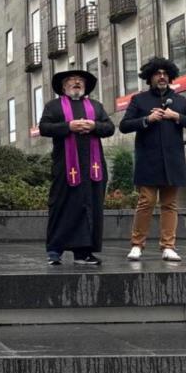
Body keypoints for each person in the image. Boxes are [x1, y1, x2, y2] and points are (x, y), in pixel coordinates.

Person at [120, 57, 186, 262]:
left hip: (173, 161)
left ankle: (168, 246)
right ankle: (137, 245)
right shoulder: (139, 100)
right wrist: (147, 120)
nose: (162, 76)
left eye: (165, 73)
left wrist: (176, 117)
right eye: (158, 73)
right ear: (150, 77)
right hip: (148, 160)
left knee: (170, 204)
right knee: (146, 202)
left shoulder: (180, 101)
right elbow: (124, 125)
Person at [38, 69, 115, 265]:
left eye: (80, 80)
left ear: (86, 85)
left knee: (90, 206)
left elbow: (110, 128)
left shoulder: (96, 107)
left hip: (93, 167)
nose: (76, 82)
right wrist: (68, 127)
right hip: (65, 166)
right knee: (62, 206)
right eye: (71, 80)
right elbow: (44, 128)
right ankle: (55, 250)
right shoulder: (53, 106)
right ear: (63, 87)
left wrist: (94, 126)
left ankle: (84, 252)